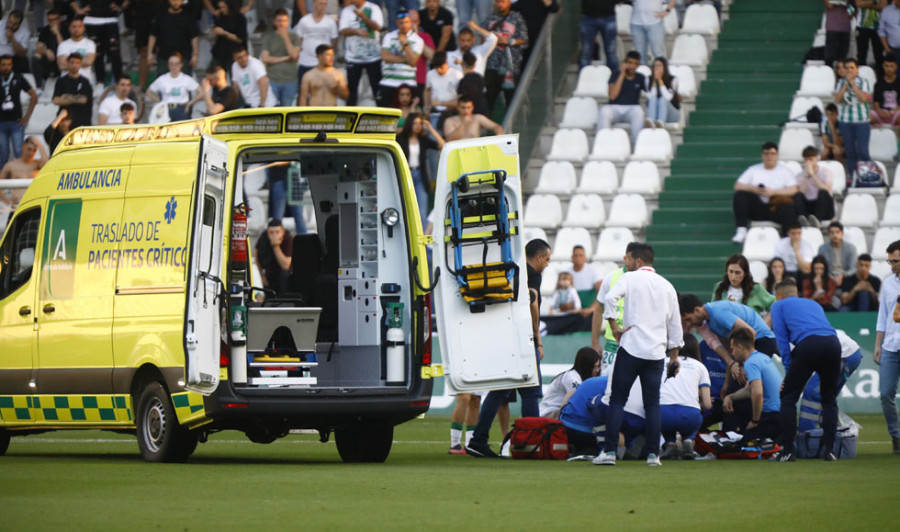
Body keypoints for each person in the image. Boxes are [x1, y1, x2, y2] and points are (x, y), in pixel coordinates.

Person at [593, 243, 683, 466]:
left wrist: (613, 327)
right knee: (652, 404)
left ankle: (610, 452)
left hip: (631, 348)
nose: (627, 263)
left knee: (617, 400)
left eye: (629, 259)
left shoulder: (630, 279)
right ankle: (654, 455)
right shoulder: (667, 286)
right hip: (655, 353)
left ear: (638, 261)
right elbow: (676, 324)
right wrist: (674, 356)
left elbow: (610, 298)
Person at [465, 238, 550, 458]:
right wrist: (537, 338)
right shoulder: (534, 275)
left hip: (505, 334)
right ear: (539, 257)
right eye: (547, 259)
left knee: (499, 390)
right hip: (523, 337)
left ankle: (478, 439)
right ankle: (532, 443)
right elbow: (532, 300)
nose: (548, 264)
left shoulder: (513, 270)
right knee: (531, 391)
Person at [770, 278, 842, 461]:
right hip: (833, 344)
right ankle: (829, 450)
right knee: (828, 399)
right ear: (796, 292)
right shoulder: (813, 304)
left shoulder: (778, 306)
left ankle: (787, 451)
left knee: (788, 398)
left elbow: (782, 342)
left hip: (808, 345)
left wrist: (788, 375)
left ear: (778, 296)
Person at [731, 141, 799, 244]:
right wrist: (753, 189)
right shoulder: (753, 169)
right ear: (762, 155)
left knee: (788, 206)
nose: (769, 156)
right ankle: (741, 230)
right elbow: (737, 186)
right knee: (740, 195)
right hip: (758, 207)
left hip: (776, 208)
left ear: (777, 155)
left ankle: (786, 238)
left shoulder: (785, 171)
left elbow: (794, 189)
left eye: (772, 153)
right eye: (766, 153)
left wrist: (774, 192)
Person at [724, 328, 783, 442]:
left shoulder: (751, 363)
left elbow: (757, 392)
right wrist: (730, 397)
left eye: (733, 349)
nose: (732, 353)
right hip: (782, 415)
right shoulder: (762, 357)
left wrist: (755, 421)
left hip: (771, 417)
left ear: (740, 347)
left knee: (739, 447)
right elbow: (749, 390)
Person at [658, 333, 712, 460]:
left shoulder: (662, 362)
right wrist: (698, 404)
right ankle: (688, 440)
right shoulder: (700, 367)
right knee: (696, 414)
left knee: (665, 412)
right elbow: (708, 404)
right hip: (689, 417)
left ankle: (670, 443)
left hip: (663, 415)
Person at [589, 242, 640, 373]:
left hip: (637, 341)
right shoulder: (611, 277)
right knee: (607, 382)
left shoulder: (644, 278)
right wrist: (595, 341)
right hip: (612, 342)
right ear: (626, 258)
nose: (633, 262)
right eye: (630, 258)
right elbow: (599, 308)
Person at [799, 329, 864, 432]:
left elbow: (797, 374)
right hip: (849, 352)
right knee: (826, 397)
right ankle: (831, 436)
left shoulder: (789, 339)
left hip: (843, 354)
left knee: (812, 394)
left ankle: (805, 436)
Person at [680, 293, 779, 358]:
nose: (689, 324)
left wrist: (746, 362)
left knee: (751, 383)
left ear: (697, 310)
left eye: (689, 319)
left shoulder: (717, 313)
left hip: (761, 340)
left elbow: (751, 332)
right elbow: (727, 347)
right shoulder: (710, 321)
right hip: (753, 343)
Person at [875, 239, 900, 453]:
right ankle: (896, 435)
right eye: (890, 261)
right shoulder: (888, 283)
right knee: (885, 393)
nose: (892, 265)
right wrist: (878, 344)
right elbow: (882, 316)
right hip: (891, 346)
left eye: (896, 261)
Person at [483, 0, 528, 113]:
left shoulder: (517, 18)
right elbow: (482, 40)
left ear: (508, 2)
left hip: (511, 66)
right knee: (488, 101)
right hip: (492, 65)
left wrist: (510, 41)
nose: (500, 4)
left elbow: (524, 40)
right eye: (497, 2)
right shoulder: (490, 19)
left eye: (502, 1)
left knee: (511, 102)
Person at [396, 112, 444, 218]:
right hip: (405, 174)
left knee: (422, 210)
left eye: (420, 123)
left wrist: (431, 129)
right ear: (409, 124)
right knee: (406, 208)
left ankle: (422, 234)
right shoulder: (400, 138)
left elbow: (442, 145)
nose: (418, 126)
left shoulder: (423, 140)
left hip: (420, 175)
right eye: (415, 123)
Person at [338, 0, 383, 106]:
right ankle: (349, 119)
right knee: (352, 92)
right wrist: (356, 31)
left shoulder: (374, 8)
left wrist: (363, 17)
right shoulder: (347, 11)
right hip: (353, 58)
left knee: (377, 90)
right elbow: (343, 30)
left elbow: (378, 27)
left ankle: (382, 118)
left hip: (373, 57)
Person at [597, 51, 646, 148]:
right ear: (625, 62)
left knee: (639, 111)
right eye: (630, 63)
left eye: (635, 64)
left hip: (631, 108)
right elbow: (612, 96)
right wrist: (622, 74)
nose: (632, 66)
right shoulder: (615, 75)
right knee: (604, 111)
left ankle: (637, 146)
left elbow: (651, 91)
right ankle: (602, 145)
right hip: (614, 108)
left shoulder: (640, 77)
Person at [835, 58, 872, 177]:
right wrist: (846, 84)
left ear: (857, 69)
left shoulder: (864, 82)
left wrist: (853, 84)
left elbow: (864, 98)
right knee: (850, 152)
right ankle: (853, 177)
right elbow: (837, 100)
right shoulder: (840, 83)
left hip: (861, 121)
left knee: (863, 151)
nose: (849, 70)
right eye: (847, 68)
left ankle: (868, 176)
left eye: (852, 68)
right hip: (845, 121)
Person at [379, 10, 424, 108]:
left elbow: (412, 62)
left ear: (411, 22)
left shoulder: (417, 40)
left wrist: (405, 43)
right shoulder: (389, 36)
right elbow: (385, 57)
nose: (404, 25)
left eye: (407, 22)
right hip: (388, 82)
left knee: (408, 116)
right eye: (401, 22)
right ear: (396, 23)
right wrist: (405, 59)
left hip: (408, 83)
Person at [539, 347, 601, 418]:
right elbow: (579, 401)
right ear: (586, 366)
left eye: (598, 367)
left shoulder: (580, 379)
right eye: (594, 367)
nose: (597, 370)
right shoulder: (571, 377)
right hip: (548, 415)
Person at [0, 136, 47, 228]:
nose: (31, 153)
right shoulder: (11, 165)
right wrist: (7, 201)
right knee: (12, 238)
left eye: (34, 150)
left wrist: (40, 145)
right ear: (23, 147)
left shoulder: (37, 164)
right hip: (16, 207)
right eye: (29, 149)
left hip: (32, 206)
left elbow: (47, 164)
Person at [558, 375, 609, 458]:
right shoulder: (615, 386)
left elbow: (571, 394)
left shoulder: (590, 380)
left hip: (566, 425)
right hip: (587, 432)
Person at [259, 9, 301, 107]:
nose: (282, 23)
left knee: (287, 109)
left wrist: (285, 37)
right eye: (279, 20)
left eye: (284, 20)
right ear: (274, 22)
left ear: (288, 22)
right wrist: (286, 58)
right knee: (272, 110)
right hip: (273, 80)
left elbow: (294, 55)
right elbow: (265, 58)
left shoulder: (294, 37)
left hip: (290, 80)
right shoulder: (268, 37)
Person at [0, 54, 35, 169]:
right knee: (2, 155)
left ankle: (21, 181)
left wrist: (27, 117)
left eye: (9, 64)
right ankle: (2, 184)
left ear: (12, 65)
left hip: (16, 122)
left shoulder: (18, 77)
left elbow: (34, 95)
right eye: (3, 65)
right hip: (1, 123)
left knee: (19, 152)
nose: (6, 67)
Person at [147, 0, 200, 76]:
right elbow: (153, 35)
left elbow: (194, 37)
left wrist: (195, 55)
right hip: (164, 57)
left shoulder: (189, 17)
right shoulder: (160, 16)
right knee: (162, 83)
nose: (176, 2)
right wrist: (149, 53)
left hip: (183, 57)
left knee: (184, 84)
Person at [295, 0, 339, 90]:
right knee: (304, 91)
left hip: (323, 65)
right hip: (305, 62)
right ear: (313, 4)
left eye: (325, 4)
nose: (323, 6)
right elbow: (298, 40)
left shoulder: (330, 22)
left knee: (325, 92)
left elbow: (334, 41)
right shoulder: (304, 21)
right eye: (320, 3)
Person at [711, 253, 775, 314]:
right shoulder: (720, 287)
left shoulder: (756, 289)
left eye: (737, 273)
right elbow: (712, 311)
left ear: (745, 273)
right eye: (731, 271)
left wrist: (766, 322)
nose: (733, 276)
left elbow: (775, 306)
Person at [81, 0, 126, 86]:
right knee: (97, 54)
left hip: (111, 20)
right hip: (91, 20)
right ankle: (100, 83)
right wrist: (78, 10)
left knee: (114, 53)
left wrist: (121, 7)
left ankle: (119, 83)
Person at [146, 53, 200, 122]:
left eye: (176, 64)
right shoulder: (162, 79)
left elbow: (201, 92)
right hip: (166, 109)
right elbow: (149, 91)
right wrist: (159, 102)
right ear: (168, 65)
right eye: (171, 64)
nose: (174, 66)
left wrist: (189, 104)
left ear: (181, 65)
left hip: (181, 109)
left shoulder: (186, 79)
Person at [793, 146, 834, 227]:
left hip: (824, 206)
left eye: (810, 159)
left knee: (823, 192)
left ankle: (817, 221)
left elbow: (827, 189)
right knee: (797, 195)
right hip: (809, 205)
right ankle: (803, 220)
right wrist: (807, 176)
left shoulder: (826, 172)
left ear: (816, 159)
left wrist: (812, 174)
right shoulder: (800, 175)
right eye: (806, 160)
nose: (808, 162)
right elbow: (801, 193)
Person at [511, 0, 559, 66]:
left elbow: (555, 8)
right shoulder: (524, 2)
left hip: (539, 37)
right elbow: (511, 8)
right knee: (525, 62)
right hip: (525, 37)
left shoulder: (544, 2)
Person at [52, 53, 92, 129]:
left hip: (82, 122)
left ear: (80, 64)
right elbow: (56, 100)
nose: (74, 65)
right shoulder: (61, 81)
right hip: (64, 124)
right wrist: (76, 98)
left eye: (77, 62)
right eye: (72, 62)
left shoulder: (85, 82)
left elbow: (83, 100)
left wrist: (67, 97)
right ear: (68, 63)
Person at [31, 9, 67, 91]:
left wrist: (57, 32)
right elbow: (39, 47)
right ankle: (39, 87)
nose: (52, 22)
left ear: (60, 19)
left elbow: (65, 47)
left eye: (55, 19)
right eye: (50, 20)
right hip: (51, 59)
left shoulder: (66, 29)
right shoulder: (45, 30)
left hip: (64, 58)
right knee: (36, 57)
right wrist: (46, 51)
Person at [578, 0, 619, 74]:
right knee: (586, 52)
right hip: (588, 17)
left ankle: (614, 81)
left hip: (608, 16)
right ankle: (583, 80)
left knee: (611, 52)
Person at [254, 219, 293, 293]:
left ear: (283, 232)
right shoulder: (264, 238)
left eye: (277, 232)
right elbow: (256, 252)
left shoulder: (288, 240)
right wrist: (262, 276)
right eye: (271, 232)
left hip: (284, 280)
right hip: (270, 278)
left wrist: (276, 246)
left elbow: (286, 265)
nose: (274, 235)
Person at [210, 0, 248, 74]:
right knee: (214, 74)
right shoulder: (220, 17)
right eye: (220, 7)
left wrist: (224, 33)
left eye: (224, 7)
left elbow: (241, 39)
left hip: (233, 53)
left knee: (234, 77)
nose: (222, 9)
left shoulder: (239, 18)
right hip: (219, 52)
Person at [424, 51, 461, 126]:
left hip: (451, 112)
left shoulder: (457, 74)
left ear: (446, 63)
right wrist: (426, 106)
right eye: (436, 67)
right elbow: (427, 90)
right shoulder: (430, 74)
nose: (438, 70)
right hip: (435, 112)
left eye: (441, 67)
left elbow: (460, 95)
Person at [818, 221, 857, 285]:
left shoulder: (851, 248)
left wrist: (843, 275)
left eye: (837, 232)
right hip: (828, 276)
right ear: (828, 234)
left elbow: (853, 268)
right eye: (832, 233)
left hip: (845, 277)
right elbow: (820, 267)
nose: (835, 235)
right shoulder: (822, 249)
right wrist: (830, 277)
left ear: (842, 233)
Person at [644, 57, 680, 128]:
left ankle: (661, 123)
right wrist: (654, 81)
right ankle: (651, 122)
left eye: (659, 65)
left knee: (662, 99)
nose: (656, 68)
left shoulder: (673, 79)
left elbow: (668, 97)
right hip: (655, 112)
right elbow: (650, 97)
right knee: (653, 98)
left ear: (665, 67)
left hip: (672, 113)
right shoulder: (648, 79)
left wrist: (660, 80)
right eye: (655, 66)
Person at [57, 16, 96, 80]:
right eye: (74, 27)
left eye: (79, 26)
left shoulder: (90, 43)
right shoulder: (63, 45)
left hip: (85, 81)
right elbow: (62, 65)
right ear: (69, 28)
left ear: (83, 28)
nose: (76, 29)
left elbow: (89, 62)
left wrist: (69, 63)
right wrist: (81, 62)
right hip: (66, 82)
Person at [871, 54, 900, 132]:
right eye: (886, 66)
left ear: (896, 67)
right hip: (881, 113)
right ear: (883, 66)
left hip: (895, 112)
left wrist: (893, 112)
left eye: (891, 66)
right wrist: (880, 112)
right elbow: (875, 104)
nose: (889, 69)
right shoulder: (878, 84)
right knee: (865, 118)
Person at [857, 1, 886, 77]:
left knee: (879, 56)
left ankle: (881, 80)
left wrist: (867, 4)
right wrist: (874, 2)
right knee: (861, 56)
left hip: (878, 27)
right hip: (862, 26)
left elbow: (883, 6)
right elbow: (859, 4)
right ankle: (861, 78)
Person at [455, 52, 489, 116]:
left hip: (471, 115)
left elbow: (458, 101)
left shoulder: (463, 81)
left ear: (462, 65)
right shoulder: (480, 77)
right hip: (484, 112)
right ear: (474, 66)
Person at [824, 0, 852, 67]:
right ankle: (829, 75)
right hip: (832, 28)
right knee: (829, 57)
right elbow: (829, 5)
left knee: (843, 59)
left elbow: (854, 7)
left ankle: (840, 76)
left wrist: (851, 13)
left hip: (845, 27)